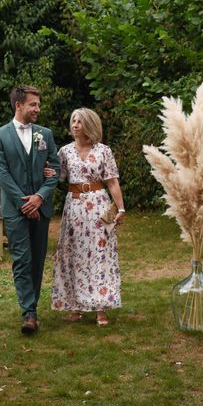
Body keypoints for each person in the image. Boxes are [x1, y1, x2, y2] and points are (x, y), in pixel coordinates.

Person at [0, 85, 60, 334]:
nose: (37, 109)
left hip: (40, 207)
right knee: (22, 259)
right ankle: (29, 313)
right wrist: (25, 202)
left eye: (38, 105)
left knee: (37, 259)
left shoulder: (45, 135)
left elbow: (56, 170)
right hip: (16, 209)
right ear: (18, 105)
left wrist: (39, 197)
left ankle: (33, 308)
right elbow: (3, 174)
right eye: (33, 104)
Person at [49, 108, 124, 326]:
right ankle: (75, 306)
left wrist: (120, 209)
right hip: (73, 207)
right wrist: (48, 172)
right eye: (73, 120)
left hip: (99, 206)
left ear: (89, 125)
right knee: (73, 254)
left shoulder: (103, 151)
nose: (75, 124)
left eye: (80, 121)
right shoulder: (64, 152)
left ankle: (101, 308)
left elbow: (112, 182)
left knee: (101, 254)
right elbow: (58, 176)